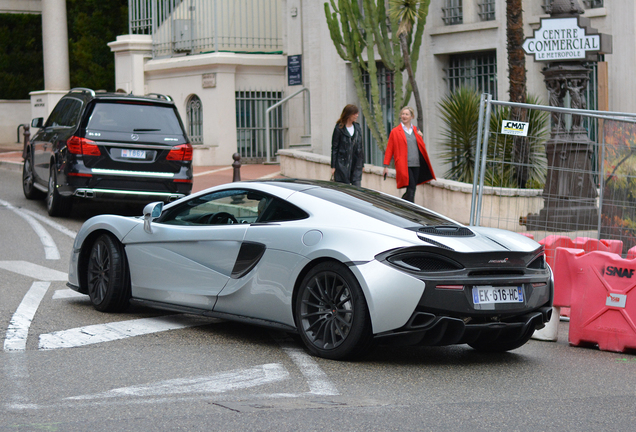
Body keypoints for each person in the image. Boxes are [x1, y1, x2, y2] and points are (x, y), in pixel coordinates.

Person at [383, 106, 435, 202]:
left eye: (407, 114)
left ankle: (402, 204)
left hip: (416, 164)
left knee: (412, 189)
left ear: (412, 116)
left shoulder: (416, 130)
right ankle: (411, 210)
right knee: (411, 188)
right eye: (403, 114)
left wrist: (420, 137)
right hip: (404, 164)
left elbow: (420, 147)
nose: (404, 116)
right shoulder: (395, 131)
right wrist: (386, 165)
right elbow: (390, 149)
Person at [331, 104, 364, 186]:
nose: (357, 115)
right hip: (342, 165)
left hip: (356, 165)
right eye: (354, 113)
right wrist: (333, 166)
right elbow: (334, 148)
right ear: (348, 114)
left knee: (357, 190)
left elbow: (360, 147)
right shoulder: (339, 128)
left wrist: (362, 164)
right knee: (344, 191)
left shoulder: (357, 127)